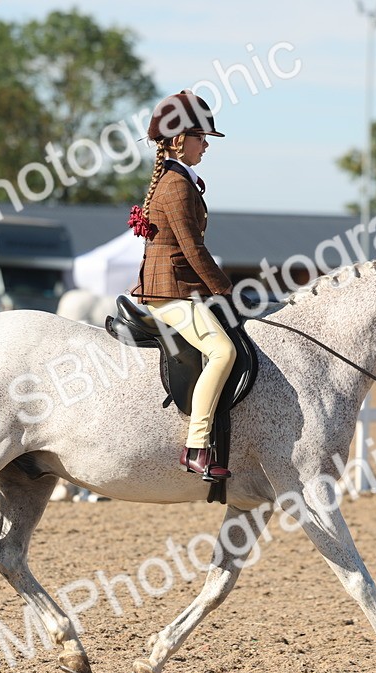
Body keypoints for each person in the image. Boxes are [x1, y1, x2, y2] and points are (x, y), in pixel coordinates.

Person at [128, 90, 236, 481]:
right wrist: (225, 289)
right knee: (223, 352)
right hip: (169, 291)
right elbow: (192, 247)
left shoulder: (180, 179)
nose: (206, 145)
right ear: (178, 140)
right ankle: (196, 447)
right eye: (200, 137)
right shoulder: (176, 184)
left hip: (177, 288)